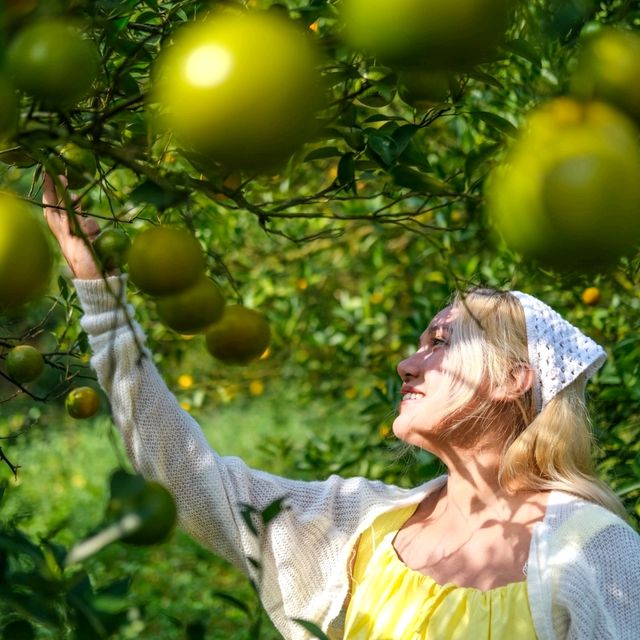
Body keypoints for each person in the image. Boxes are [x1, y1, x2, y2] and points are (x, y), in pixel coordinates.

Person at [43, 174, 640, 640]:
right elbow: (189, 478)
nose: (408, 364)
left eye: (441, 342)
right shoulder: (364, 527)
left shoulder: (591, 551)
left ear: (514, 379)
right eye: (418, 344)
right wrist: (98, 288)